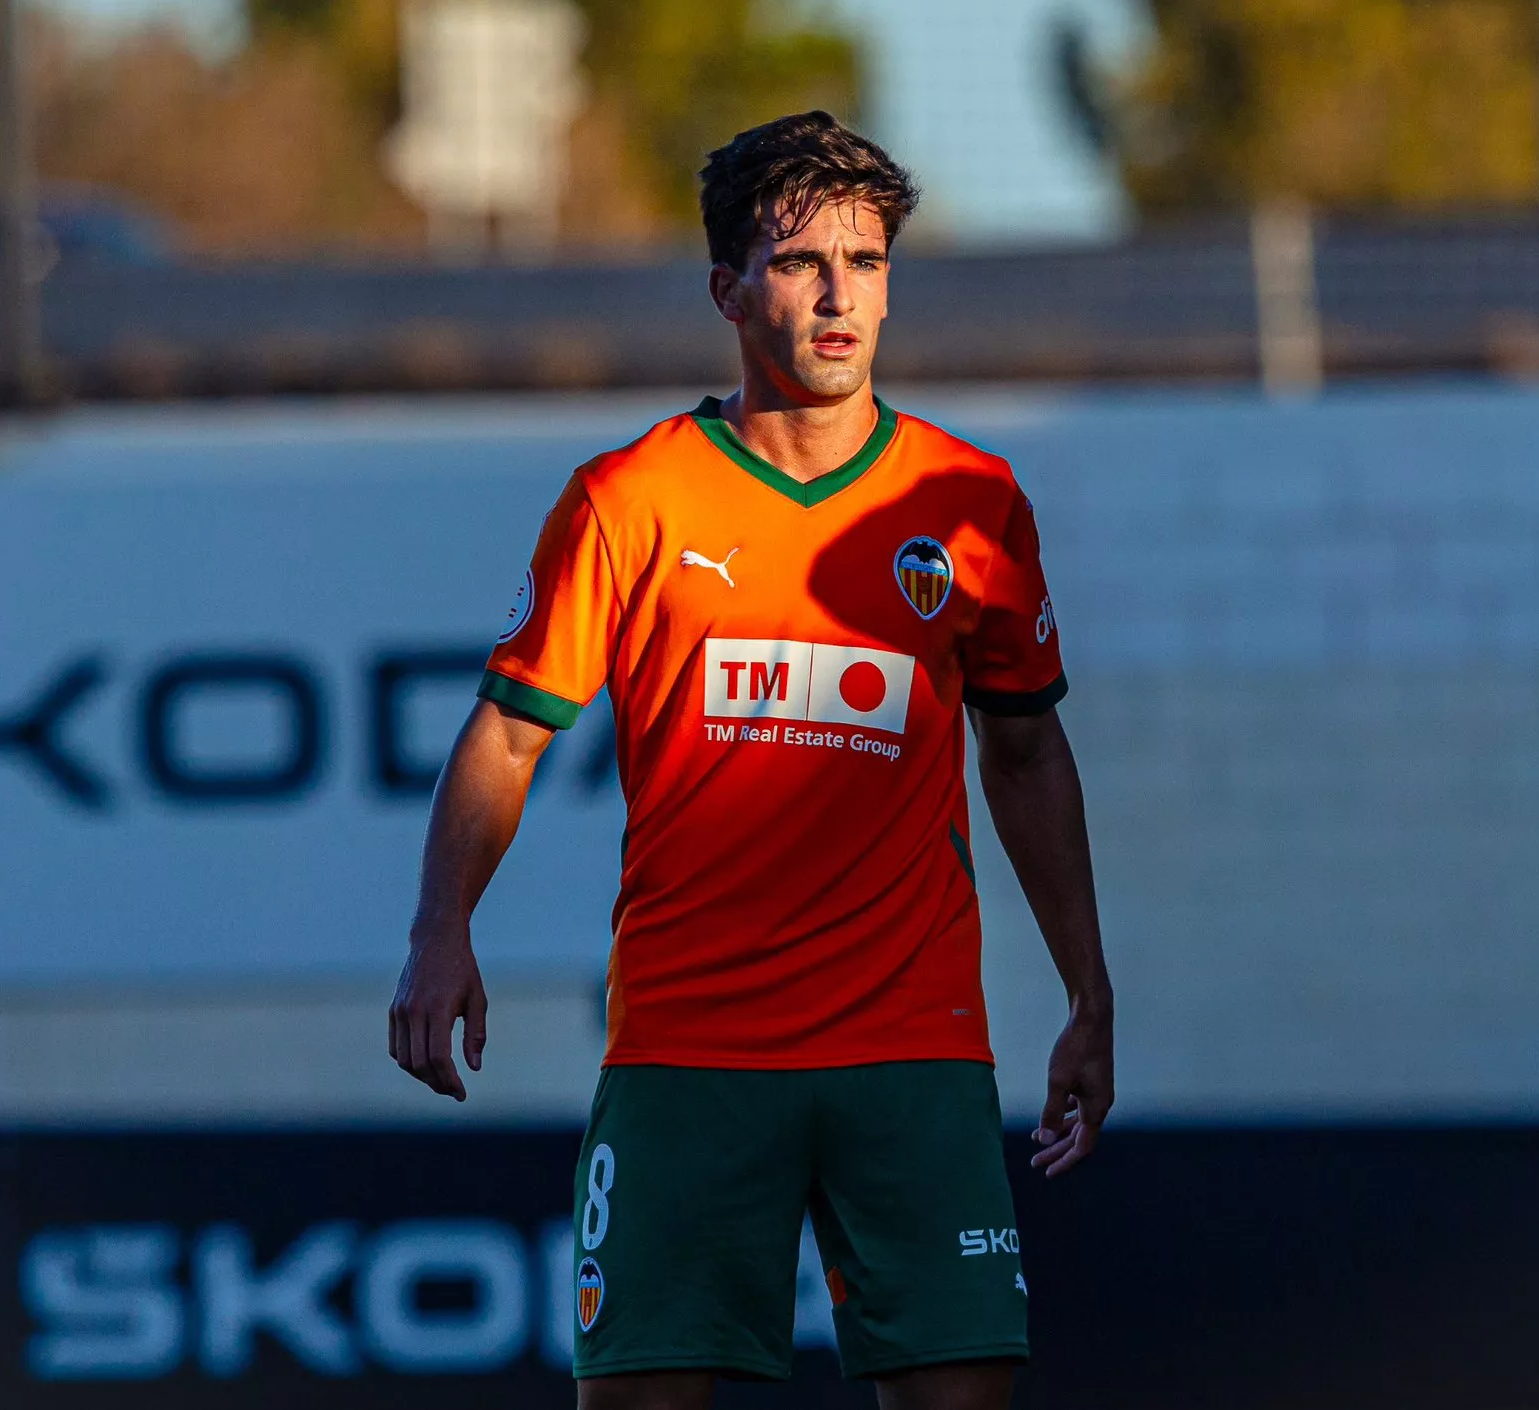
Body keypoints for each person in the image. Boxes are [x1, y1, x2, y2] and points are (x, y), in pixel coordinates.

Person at [390, 110, 1112, 1410]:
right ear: (729, 289)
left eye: (868, 261)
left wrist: (1086, 987)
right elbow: (507, 731)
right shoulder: (632, 498)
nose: (840, 296)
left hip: (914, 1050)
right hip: (687, 1054)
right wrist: (441, 926)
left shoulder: (972, 504)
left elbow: (1026, 754)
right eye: (800, 264)